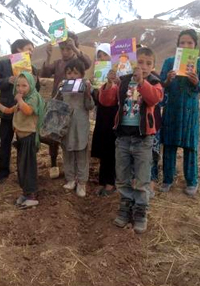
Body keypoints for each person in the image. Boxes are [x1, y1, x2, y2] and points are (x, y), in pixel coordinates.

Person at [98, 47, 164, 233]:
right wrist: (109, 85)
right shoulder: (124, 81)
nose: (143, 66)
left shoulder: (155, 82)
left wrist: (142, 82)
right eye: (140, 62)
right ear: (133, 62)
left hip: (143, 139)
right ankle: (125, 207)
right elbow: (107, 101)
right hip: (123, 138)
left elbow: (154, 99)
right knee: (123, 176)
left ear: (153, 66)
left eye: (148, 63)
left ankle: (140, 211)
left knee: (142, 178)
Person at [158, 29, 200, 196]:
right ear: (177, 45)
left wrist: (197, 82)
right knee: (169, 145)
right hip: (172, 109)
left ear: (195, 46)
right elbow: (160, 85)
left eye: (190, 43)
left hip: (189, 111)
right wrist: (167, 80)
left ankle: (192, 180)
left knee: (190, 147)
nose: (186, 45)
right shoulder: (169, 62)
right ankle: (167, 179)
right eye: (182, 43)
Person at [0, 72, 45, 208]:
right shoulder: (22, 100)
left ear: (31, 85)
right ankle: (26, 193)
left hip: (29, 138)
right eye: (18, 85)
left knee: (28, 167)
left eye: (24, 86)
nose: (20, 89)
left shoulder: (32, 98)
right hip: (21, 139)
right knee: (21, 167)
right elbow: (8, 110)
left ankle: (31, 195)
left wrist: (19, 100)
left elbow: (28, 111)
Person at [41, 32, 92, 179]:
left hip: (75, 105)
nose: (65, 52)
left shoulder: (78, 61)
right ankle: (54, 163)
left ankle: (75, 169)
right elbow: (45, 71)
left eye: (68, 49)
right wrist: (48, 55)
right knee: (54, 135)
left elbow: (88, 63)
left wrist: (75, 49)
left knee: (71, 136)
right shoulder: (58, 63)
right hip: (58, 103)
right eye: (62, 49)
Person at [0, 39, 41, 181]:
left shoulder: (32, 68)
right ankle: (3, 172)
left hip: (24, 114)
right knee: (5, 141)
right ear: (18, 49)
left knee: (24, 144)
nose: (31, 52)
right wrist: (8, 80)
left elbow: (36, 91)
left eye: (32, 50)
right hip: (8, 109)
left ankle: (23, 173)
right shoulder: (3, 64)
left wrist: (36, 82)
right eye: (29, 49)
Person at [55, 60, 94, 197]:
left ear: (82, 75)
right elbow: (56, 105)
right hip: (66, 126)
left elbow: (90, 107)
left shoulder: (85, 87)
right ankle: (70, 179)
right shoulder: (63, 88)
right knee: (67, 152)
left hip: (80, 126)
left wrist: (88, 93)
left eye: (75, 73)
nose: (72, 76)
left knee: (81, 154)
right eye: (69, 73)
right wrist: (59, 91)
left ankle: (82, 182)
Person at [91, 43, 117, 196]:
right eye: (99, 56)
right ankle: (102, 180)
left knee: (111, 147)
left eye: (104, 55)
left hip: (113, 115)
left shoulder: (118, 74)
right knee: (102, 147)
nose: (101, 58)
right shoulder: (98, 74)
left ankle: (111, 182)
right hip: (102, 114)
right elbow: (96, 98)